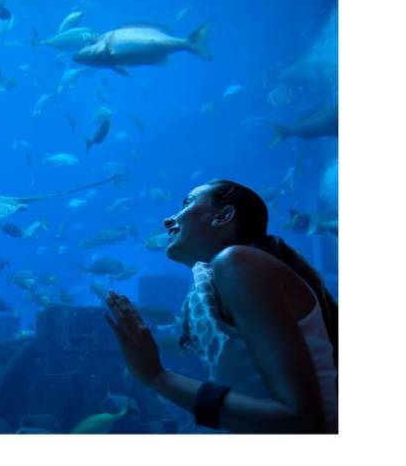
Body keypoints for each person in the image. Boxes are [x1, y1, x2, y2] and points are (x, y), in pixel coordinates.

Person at [105, 180, 337, 433]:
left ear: (223, 216)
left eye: (187, 203)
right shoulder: (226, 275)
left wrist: (156, 376)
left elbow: (300, 420)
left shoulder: (236, 262)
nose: (168, 220)